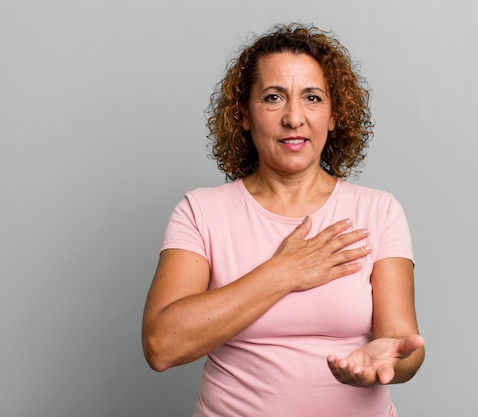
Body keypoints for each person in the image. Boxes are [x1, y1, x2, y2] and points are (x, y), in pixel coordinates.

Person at [142, 23, 425, 417]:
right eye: (273, 98)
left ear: (333, 115)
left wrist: (387, 361)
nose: (294, 118)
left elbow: (405, 347)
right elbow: (161, 346)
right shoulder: (200, 212)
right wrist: (283, 272)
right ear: (243, 114)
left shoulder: (378, 210)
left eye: (312, 98)